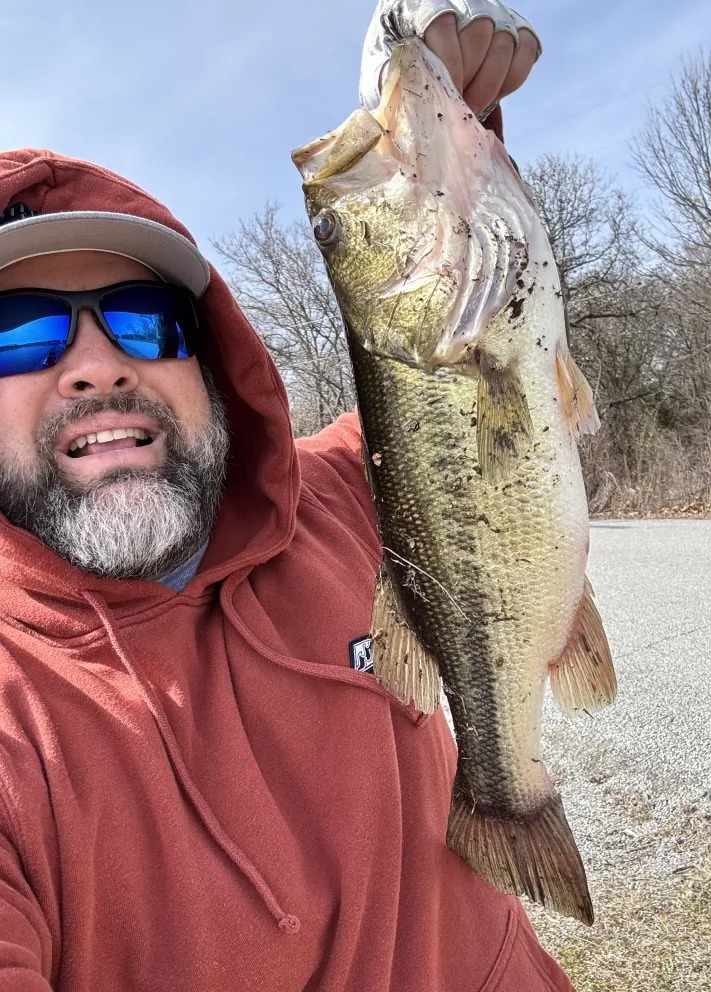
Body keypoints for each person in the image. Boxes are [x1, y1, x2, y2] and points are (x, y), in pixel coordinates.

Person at [0, 2, 575, 989]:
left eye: (146, 321)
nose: (96, 364)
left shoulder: (345, 491)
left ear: (210, 358)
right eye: (18, 335)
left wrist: (440, 135)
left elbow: (464, 354)